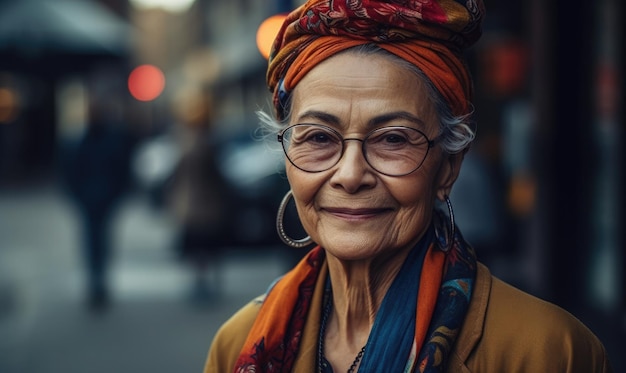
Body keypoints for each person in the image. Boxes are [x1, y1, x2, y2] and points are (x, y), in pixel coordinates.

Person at [204, 1, 613, 372]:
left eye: (393, 139)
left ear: (448, 167)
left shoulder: (547, 352)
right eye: (319, 138)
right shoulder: (238, 343)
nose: (350, 175)